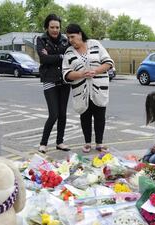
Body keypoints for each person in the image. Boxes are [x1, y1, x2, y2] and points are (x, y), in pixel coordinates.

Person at [62, 23, 114, 153]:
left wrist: (95, 71)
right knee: (85, 116)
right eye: (68, 37)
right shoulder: (69, 52)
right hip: (81, 90)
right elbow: (66, 74)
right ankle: (87, 143)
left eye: (72, 36)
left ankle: (99, 143)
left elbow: (108, 63)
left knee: (100, 116)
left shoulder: (95, 44)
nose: (70, 40)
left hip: (99, 88)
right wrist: (80, 74)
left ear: (80, 34)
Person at [37, 14, 71, 153]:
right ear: (47, 27)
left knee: (62, 114)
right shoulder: (41, 39)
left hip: (63, 79)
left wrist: (52, 56)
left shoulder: (65, 40)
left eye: (57, 27)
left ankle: (60, 142)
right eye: (52, 27)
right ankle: (43, 143)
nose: (55, 30)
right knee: (54, 114)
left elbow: (68, 57)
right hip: (49, 79)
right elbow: (43, 59)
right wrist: (60, 56)